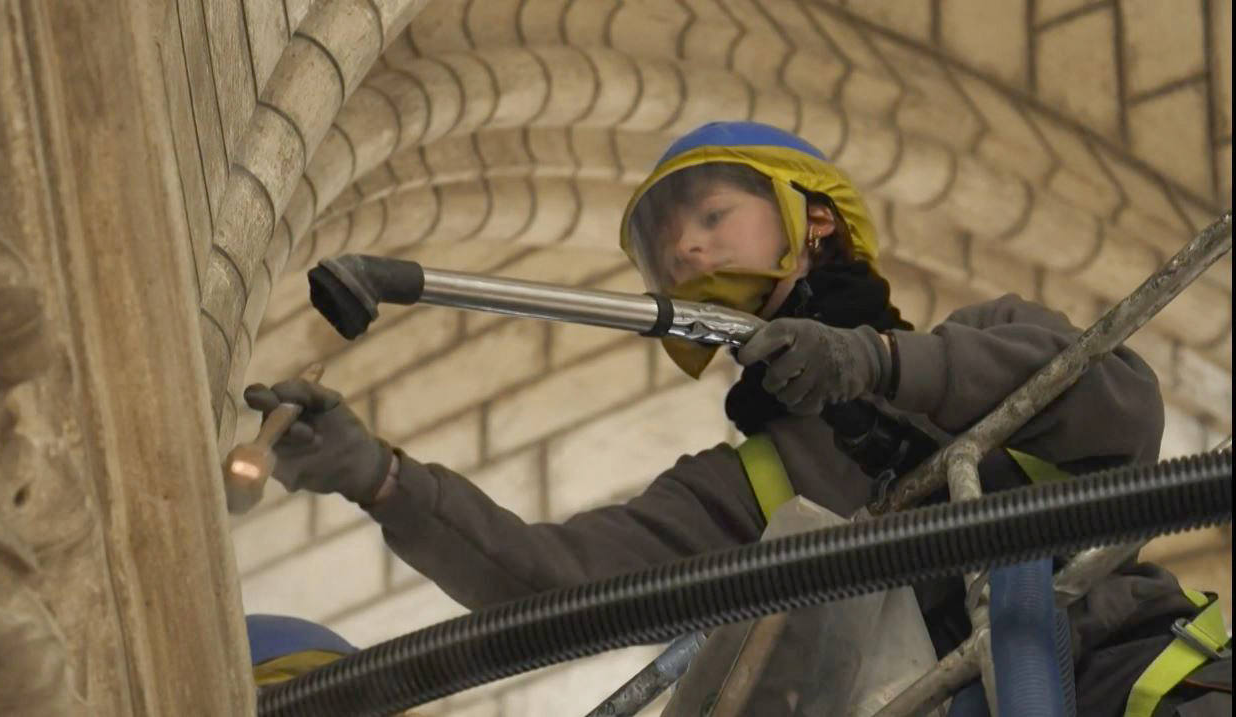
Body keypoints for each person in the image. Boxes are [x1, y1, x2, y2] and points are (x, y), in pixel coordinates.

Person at [244, 122, 1230, 715]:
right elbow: (544, 586)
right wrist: (378, 478)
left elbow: (1112, 408)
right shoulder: (745, 485)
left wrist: (871, 364)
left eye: (710, 214)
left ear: (814, 218)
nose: (682, 246)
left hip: (1131, 679)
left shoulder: (981, 347)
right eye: (663, 241)